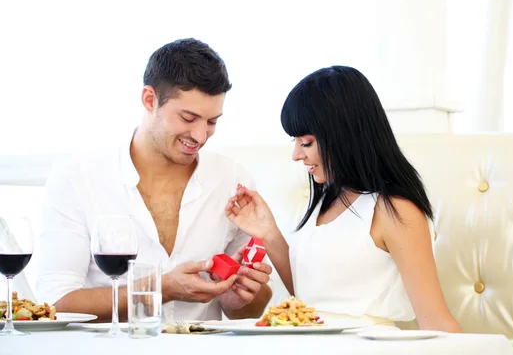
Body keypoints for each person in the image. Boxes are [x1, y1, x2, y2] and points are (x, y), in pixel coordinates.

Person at [36, 38, 272, 322]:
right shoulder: (78, 178)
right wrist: (161, 288)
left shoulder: (233, 179)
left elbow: (250, 310)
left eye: (212, 122)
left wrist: (239, 300)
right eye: (188, 118)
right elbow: (57, 303)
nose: (200, 136)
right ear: (150, 99)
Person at [225, 66, 461, 332]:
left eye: (306, 143)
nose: (295, 155)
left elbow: (435, 319)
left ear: (345, 136)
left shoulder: (395, 209)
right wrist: (268, 233)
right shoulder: (329, 199)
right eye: (296, 141)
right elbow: (312, 297)